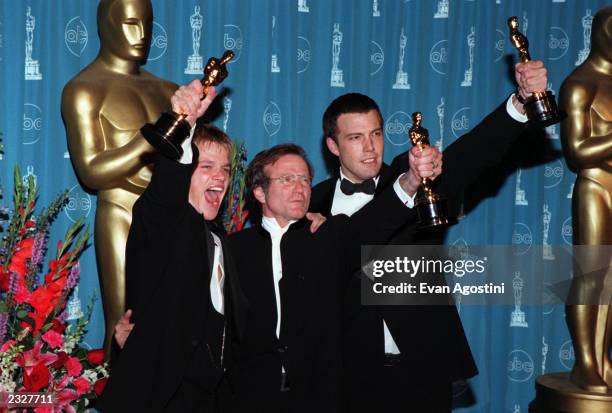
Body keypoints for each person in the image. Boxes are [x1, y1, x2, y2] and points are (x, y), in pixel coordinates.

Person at [309, 60, 548, 412]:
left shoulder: (418, 180)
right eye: (356, 137)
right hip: (347, 375)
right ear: (333, 145)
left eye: (376, 133)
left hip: (421, 371)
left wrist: (521, 102)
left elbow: (473, 152)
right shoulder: (311, 203)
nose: (370, 148)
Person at [223, 139, 437, 412]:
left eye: (304, 179)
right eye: (287, 179)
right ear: (260, 193)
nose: (300, 187)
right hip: (250, 395)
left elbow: (374, 221)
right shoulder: (233, 249)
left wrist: (410, 181)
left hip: (319, 395)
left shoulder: (328, 237)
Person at [97, 83, 247, 412]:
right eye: (206, 167)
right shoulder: (164, 220)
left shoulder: (223, 240)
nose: (220, 178)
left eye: (225, 169)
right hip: (160, 398)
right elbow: (166, 191)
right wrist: (184, 122)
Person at [61, 0, 176, 357]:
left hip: (173, 215)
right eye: (130, 23)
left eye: (147, 23)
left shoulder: (169, 90)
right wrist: (147, 140)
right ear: (106, 26)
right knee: (125, 320)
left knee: (179, 320)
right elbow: (91, 171)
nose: (142, 34)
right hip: (122, 212)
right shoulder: (84, 89)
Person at [560, 5, 612, 393]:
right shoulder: (580, 84)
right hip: (594, 186)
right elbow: (577, 151)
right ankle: (585, 364)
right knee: (591, 276)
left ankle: (602, 359)